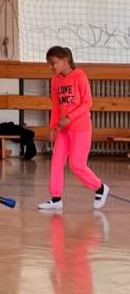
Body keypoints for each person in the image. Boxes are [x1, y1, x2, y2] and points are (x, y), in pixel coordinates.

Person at [39, 46, 110, 211]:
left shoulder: (80, 76)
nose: (51, 67)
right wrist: (53, 128)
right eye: (49, 64)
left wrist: (70, 118)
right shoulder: (55, 81)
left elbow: (87, 103)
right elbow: (56, 107)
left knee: (76, 164)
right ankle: (56, 199)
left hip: (81, 128)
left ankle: (100, 188)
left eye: (53, 63)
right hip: (63, 130)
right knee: (56, 162)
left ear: (65, 61)